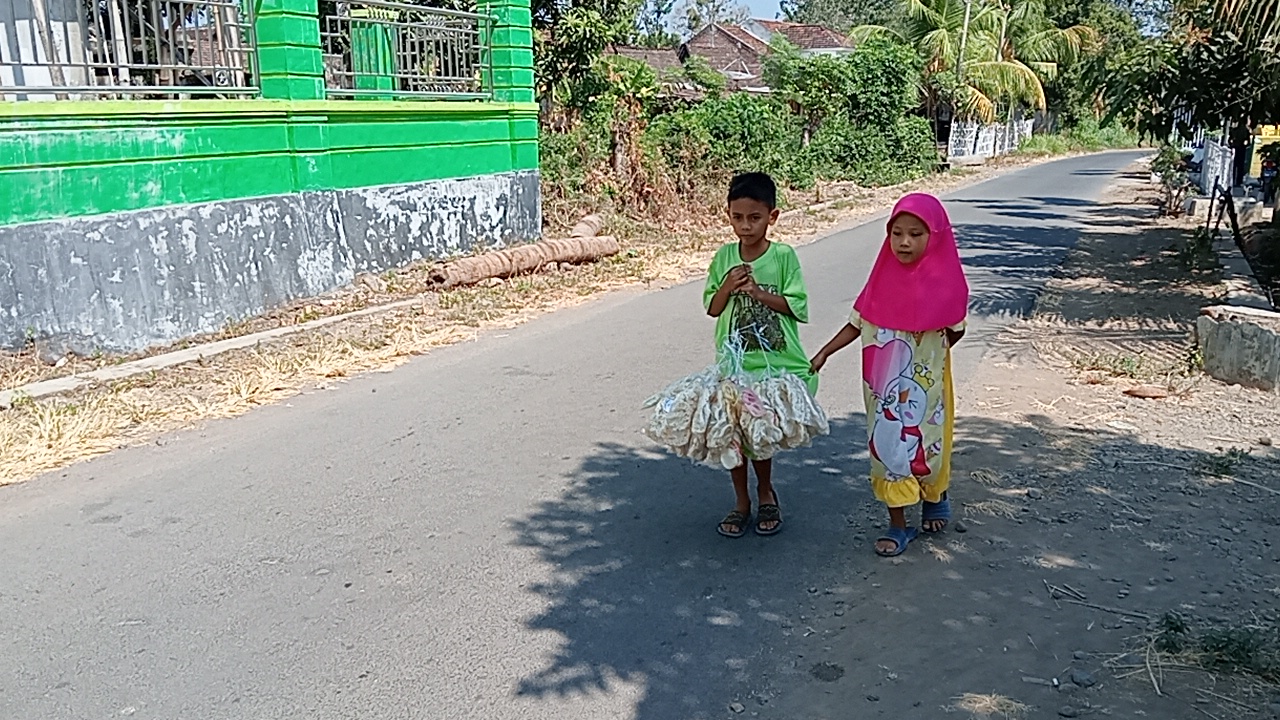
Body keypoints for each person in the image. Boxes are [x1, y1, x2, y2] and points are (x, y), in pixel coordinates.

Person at [809, 193, 969, 557]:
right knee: (888, 450)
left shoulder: (948, 285)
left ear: (936, 236)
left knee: (931, 444)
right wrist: (824, 353)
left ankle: (934, 496)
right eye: (896, 233)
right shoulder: (880, 281)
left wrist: (927, 362)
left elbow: (955, 331)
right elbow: (857, 323)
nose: (904, 242)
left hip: (930, 389)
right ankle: (898, 523)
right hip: (883, 393)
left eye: (916, 233)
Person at [704, 172, 817, 538]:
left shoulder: (783, 257)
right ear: (728, 215)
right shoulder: (724, 257)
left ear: (773, 216)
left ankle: (765, 491)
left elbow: (796, 305)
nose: (745, 226)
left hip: (773, 364)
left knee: (760, 434)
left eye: (754, 218)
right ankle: (741, 501)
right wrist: (727, 286)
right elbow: (713, 308)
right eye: (738, 217)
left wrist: (757, 293)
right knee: (733, 433)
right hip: (735, 363)